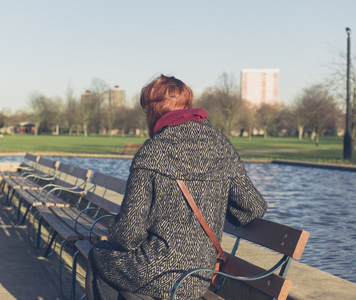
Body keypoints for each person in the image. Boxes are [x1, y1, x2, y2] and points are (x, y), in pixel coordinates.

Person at [86, 74, 267, 300]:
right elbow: (252, 207)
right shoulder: (221, 145)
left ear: (154, 111)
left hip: (155, 273)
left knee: (98, 256)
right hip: (200, 276)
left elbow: (128, 236)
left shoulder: (152, 151)